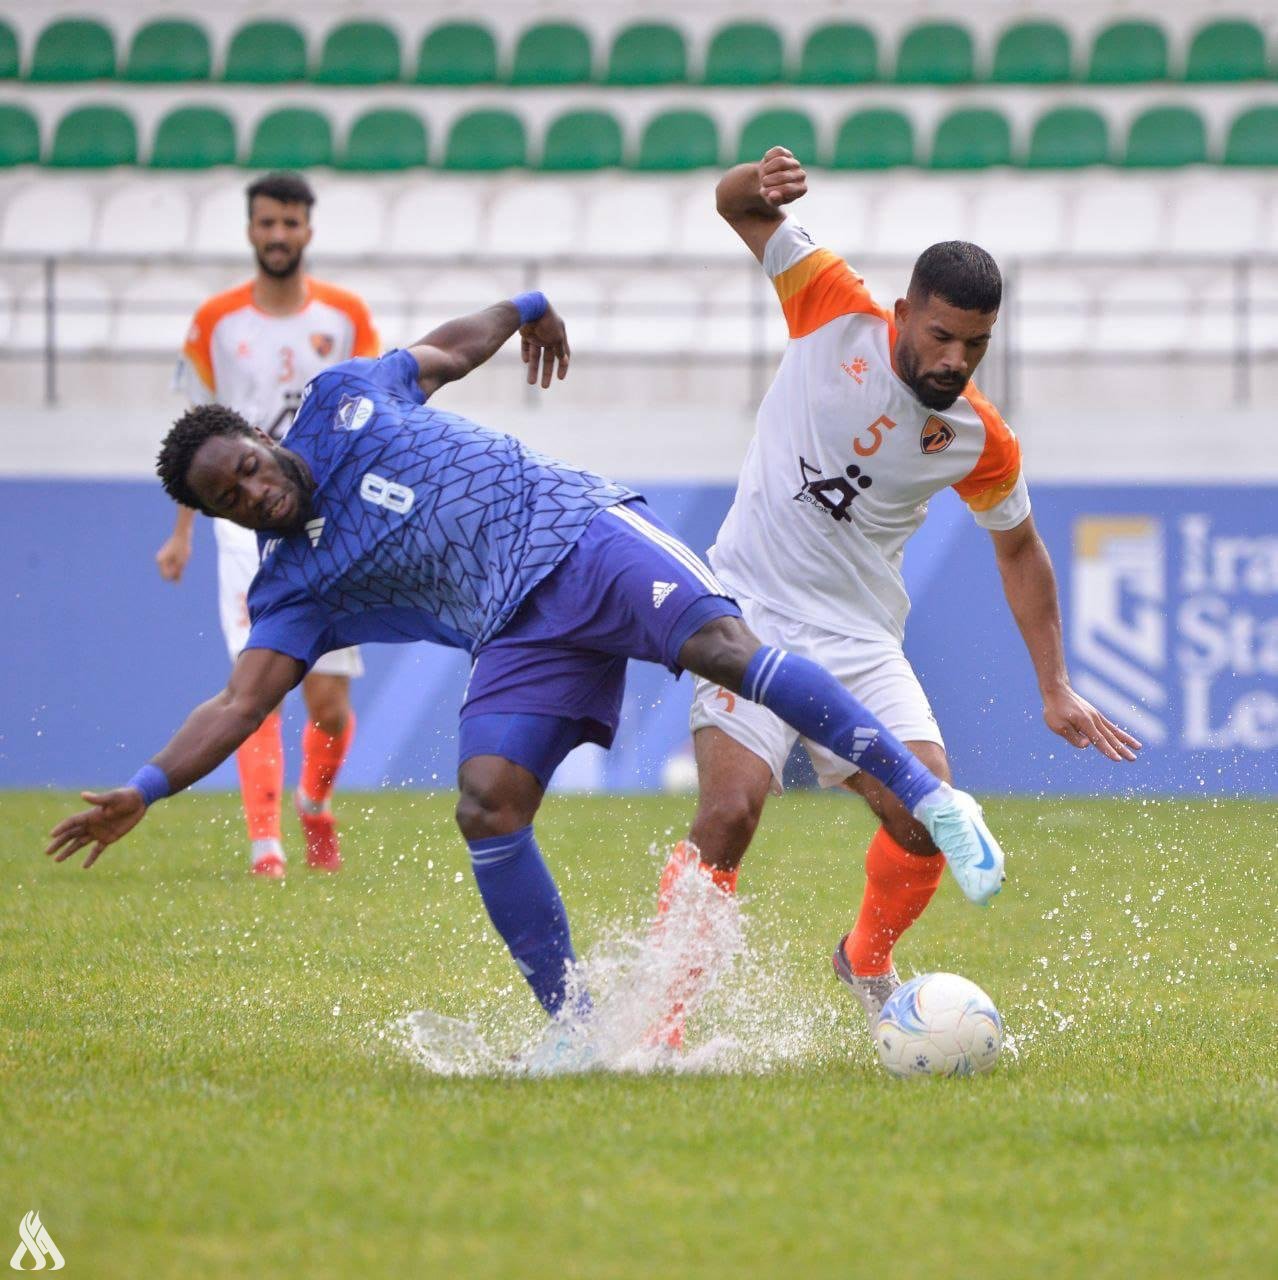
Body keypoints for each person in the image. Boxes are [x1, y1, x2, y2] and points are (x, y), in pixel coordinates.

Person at [47, 290, 1009, 1027]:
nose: (251, 494)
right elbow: (236, 704)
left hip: (581, 531)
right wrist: (147, 786)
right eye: (229, 501)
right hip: (514, 628)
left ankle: (931, 803)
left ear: (260, 438)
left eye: (247, 468)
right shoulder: (291, 588)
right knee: (486, 803)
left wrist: (527, 307)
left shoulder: (343, 398)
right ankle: (575, 1023)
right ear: (218, 518)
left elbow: (451, 352)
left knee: (726, 646)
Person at [651, 147, 1141, 1043]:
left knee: (928, 819)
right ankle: (662, 1026)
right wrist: (749, 185)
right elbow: (732, 208)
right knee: (729, 809)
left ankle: (865, 960)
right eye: (941, 336)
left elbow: (1022, 548)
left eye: (976, 346)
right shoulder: (830, 303)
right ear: (904, 311)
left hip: (858, 636)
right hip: (745, 611)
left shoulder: (977, 439)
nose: (955, 361)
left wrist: (1055, 684)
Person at [154, 171, 380, 877]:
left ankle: (313, 805)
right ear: (250, 229)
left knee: (329, 701)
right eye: (266, 223)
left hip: (325, 523)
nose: (278, 235)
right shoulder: (217, 323)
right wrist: (183, 531)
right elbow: (195, 441)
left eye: (290, 223)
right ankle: (266, 849)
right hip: (240, 533)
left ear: (308, 230)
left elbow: (372, 414)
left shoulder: (344, 316)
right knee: (253, 684)